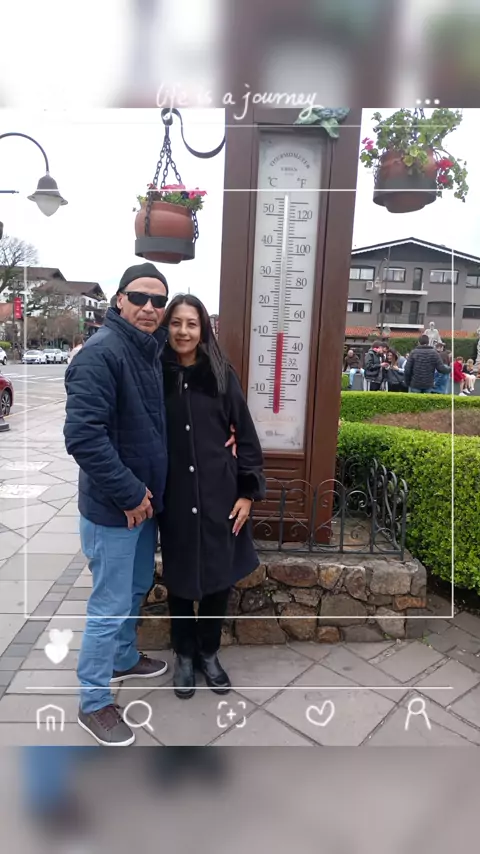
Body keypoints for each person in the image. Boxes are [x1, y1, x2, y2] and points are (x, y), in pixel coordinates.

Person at [64, 262, 173, 747]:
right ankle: (93, 701)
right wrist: (129, 493)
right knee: (109, 604)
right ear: (119, 300)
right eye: (140, 297)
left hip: (144, 505)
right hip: (116, 508)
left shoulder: (146, 350)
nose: (150, 307)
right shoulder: (102, 353)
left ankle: (124, 658)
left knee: (135, 586)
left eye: (158, 300)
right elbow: (84, 437)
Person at [158, 294, 265, 699]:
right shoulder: (155, 375)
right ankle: (184, 654)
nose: (183, 331)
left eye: (191, 324)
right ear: (167, 327)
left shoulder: (221, 375)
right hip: (176, 496)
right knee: (180, 580)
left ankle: (208, 652)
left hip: (220, 496)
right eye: (176, 323)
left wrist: (248, 493)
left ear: (203, 329)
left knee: (219, 580)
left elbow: (247, 437)